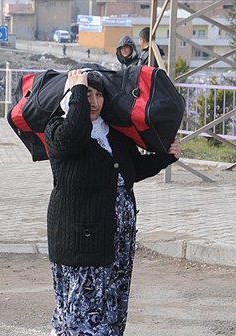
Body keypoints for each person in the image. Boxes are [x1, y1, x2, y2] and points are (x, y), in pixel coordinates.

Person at [45, 69, 180, 335]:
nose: (93, 101)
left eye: (98, 95)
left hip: (116, 241)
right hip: (80, 240)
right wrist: (77, 94)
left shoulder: (112, 133)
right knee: (81, 309)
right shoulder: (58, 129)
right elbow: (74, 135)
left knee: (111, 305)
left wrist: (166, 158)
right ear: (71, 98)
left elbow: (132, 169)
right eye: (86, 94)